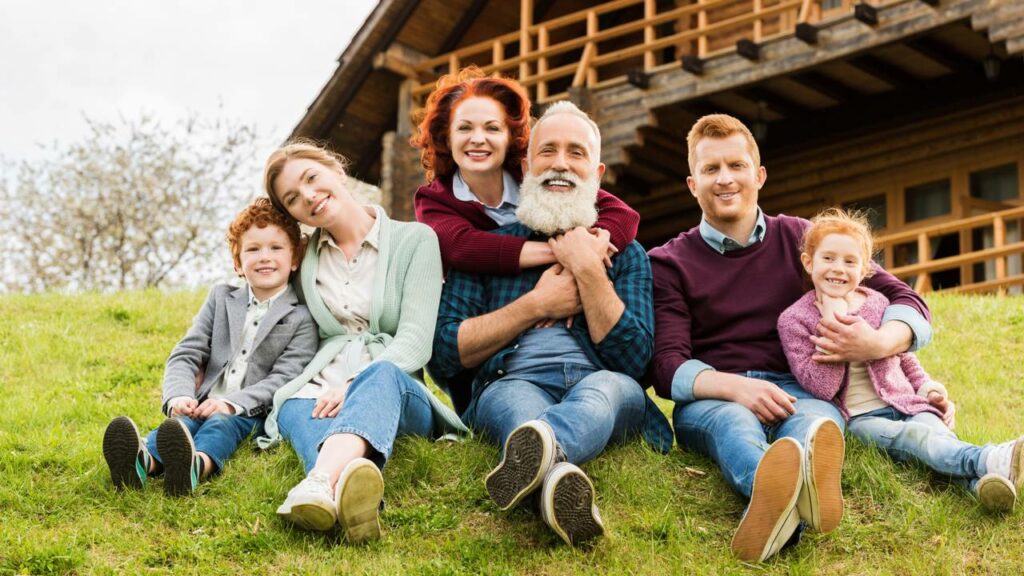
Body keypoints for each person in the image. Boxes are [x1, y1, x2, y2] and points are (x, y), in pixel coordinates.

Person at [648, 114, 934, 562]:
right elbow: (666, 366)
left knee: (817, 425)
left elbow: (901, 296)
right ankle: (776, 485)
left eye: (737, 166)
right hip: (716, 397)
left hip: (802, 389)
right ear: (692, 183)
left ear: (759, 175)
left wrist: (880, 344)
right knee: (735, 427)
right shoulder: (667, 262)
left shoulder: (805, 239)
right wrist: (736, 387)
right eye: (711, 169)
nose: (725, 179)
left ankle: (783, 509)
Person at [431, 101, 672, 547]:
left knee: (606, 391)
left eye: (576, 153)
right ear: (526, 167)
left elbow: (636, 362)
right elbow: (445, 353)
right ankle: (558, 478)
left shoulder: (627, 254)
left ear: (596, 173)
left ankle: (541, 459)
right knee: (513, 402)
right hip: (512, 379)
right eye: (548, 152)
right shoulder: (487, 251)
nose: (560, 164)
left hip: (604, 382)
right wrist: (537, 303)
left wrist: (588, 270)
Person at [261, 141, 468, 543]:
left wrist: (355, 384)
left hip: (393, 385)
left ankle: (320, 480)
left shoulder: (416, 241)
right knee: (290, 402)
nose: (308, 196)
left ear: (337, 171)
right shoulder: (304, 264)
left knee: (383, 376)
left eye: (311, 178)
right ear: (293, 214)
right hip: (324, 382)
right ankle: (347, 497)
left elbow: (415, 339)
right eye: (292, 198)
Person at [778, 207, 1024, 512]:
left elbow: (903, 359)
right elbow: (823, 389)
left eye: (850, 261)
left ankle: (979, 487)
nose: (838, 269)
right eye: (828, 258)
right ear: (808, 262)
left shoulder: (879, 303)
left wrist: (927, 389)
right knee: (915, 438)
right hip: (860, 420)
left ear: (866, 268)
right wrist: (833, 319)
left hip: (905, 403)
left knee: (933, 432)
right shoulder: (794, 320)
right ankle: (990, 459)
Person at [102, 198, 318, 496]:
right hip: (203, 400)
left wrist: (231, 403)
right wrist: (179, 395)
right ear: (238, 263)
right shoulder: (220, 299)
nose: (264, 257)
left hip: (248, 411)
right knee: (179, 425)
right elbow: (187, 353)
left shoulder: (302, 317)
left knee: (221, 425)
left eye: (276, 248)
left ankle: (196, 466)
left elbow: (284, 377)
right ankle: (143, 462)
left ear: (294, 259)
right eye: (253, 249)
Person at [410, 65, 640, 276]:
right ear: (447, 138)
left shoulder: (532, 175)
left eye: (492, 128)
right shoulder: (434, 200)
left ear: (510, 137)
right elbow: (461, 248)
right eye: (464, 128)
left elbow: (623, 214)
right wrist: (572, 254)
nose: (478, 139)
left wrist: (598, 241)